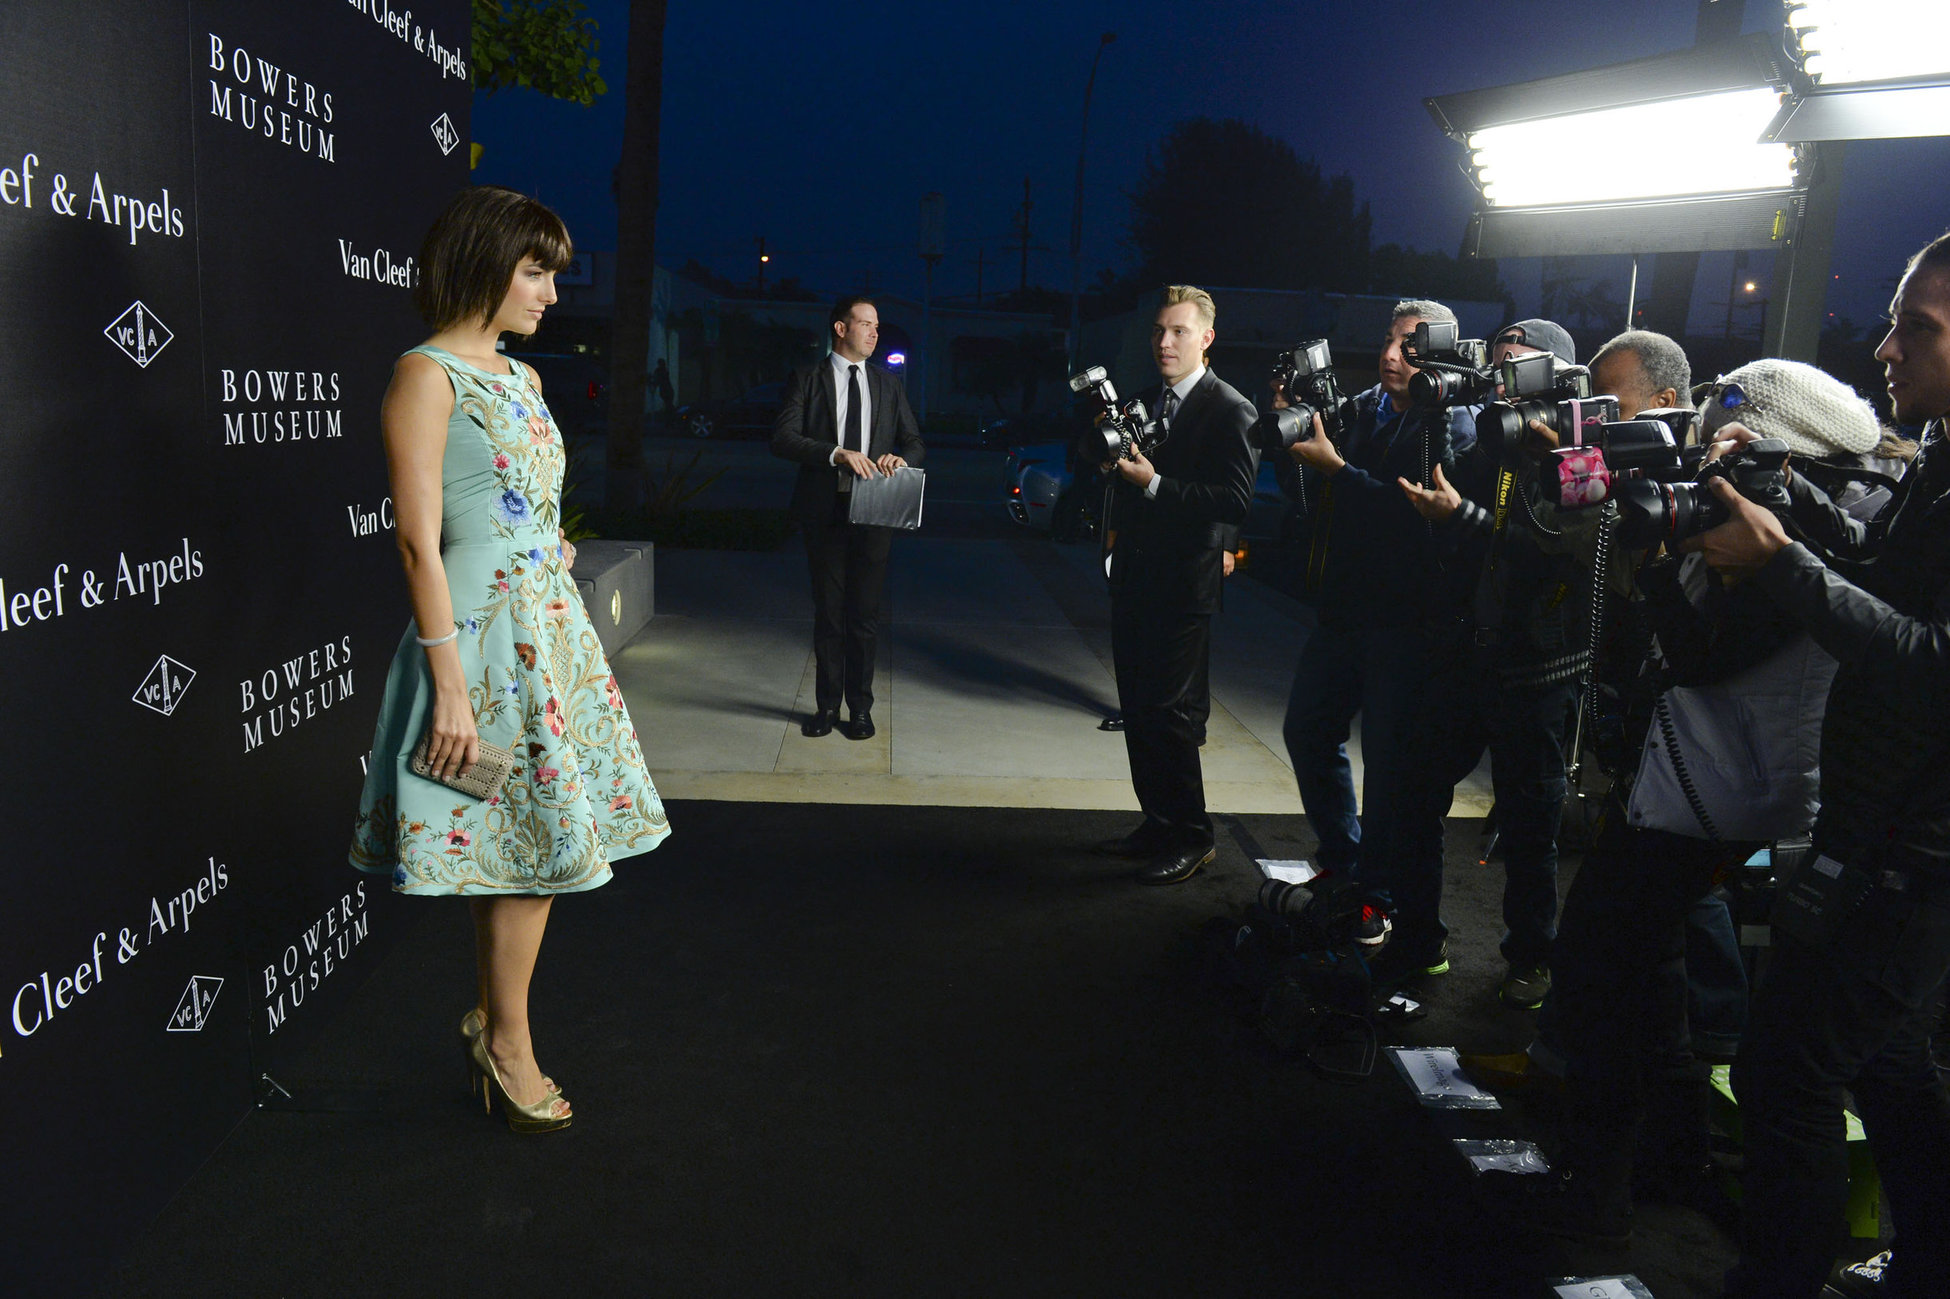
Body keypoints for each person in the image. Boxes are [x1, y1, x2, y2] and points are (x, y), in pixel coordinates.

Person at [348, 186, 671, 1133]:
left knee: (529, 843)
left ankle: (497, 1027)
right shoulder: (425, 375)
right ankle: (508, 1042)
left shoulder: (521, 376)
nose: (552, 295)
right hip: (479, 653)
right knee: (529, 849)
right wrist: (448, 686)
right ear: (486, 264)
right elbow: (419, 542)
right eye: (536, 272)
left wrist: (548, 544)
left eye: (552, 275)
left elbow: (513, 499)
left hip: (545, 636)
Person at [1700, 235, 1950, 1298]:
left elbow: (1934, 665)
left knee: (1785, 1071)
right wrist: (1786, 498)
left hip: (1920, 850)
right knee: (1884, 1060)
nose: (1886, 348)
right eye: (1893, 322)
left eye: (1918, 328)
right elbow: (1879, 582)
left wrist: (1782, 563)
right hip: (1884, 824)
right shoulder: (1939, 456)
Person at [1389, 319, 1590, 1005]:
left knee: (1531, 827)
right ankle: (1418, 938)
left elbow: (1551, 551)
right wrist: (1433, 409)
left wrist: (1466, 517)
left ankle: (1530, 958)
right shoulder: (1488, 444)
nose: (1503, 383)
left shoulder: (1579, 453)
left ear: (1558, 379)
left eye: (1519, 369)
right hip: (1467, 656)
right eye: (1498, 368)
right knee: (1416, 792)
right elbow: (1439, 490)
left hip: (1538, 670)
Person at [1280, 301, 1475, 945]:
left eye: (1410, 347)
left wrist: (1337, 470)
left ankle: (1378, 894)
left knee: (1389, 767)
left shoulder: (1453, 420)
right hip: (1343, 610)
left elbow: (1411, 516)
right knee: (1308, 730)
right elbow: (1311, 497)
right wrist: (1293, 436)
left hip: (1407, 622)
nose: (1391, 355)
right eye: (1389, 341)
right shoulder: (1359, 408)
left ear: (1440, 355)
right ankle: (1346, 859)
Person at [1093, 285, 1257, 885]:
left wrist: (1155, 482)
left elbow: (1235, 499)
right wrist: (1112, 469)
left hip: (1185, 582)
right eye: (1159, 330)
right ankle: (1157, 822)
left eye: (1179, 332)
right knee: (1138, 708)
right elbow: (1124, 483)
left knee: (1169, 713)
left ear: (1206, 339)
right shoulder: (1143, 400)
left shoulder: (1231, 408)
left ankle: (1193, 836)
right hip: (1135, 574)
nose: (1164, 342)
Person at [771, 296, 925, 740]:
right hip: (824, 510)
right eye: (865, 324)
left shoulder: (888, 384)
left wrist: (901, 458)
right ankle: (826, 708)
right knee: (829, 614)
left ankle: (860, 710)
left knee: (864, 616)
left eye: (877, 326)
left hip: (875, 512)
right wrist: (835, 453)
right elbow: (782, 438)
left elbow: (915, 442)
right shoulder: (808, 378)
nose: (875, 333)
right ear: (840, 329)